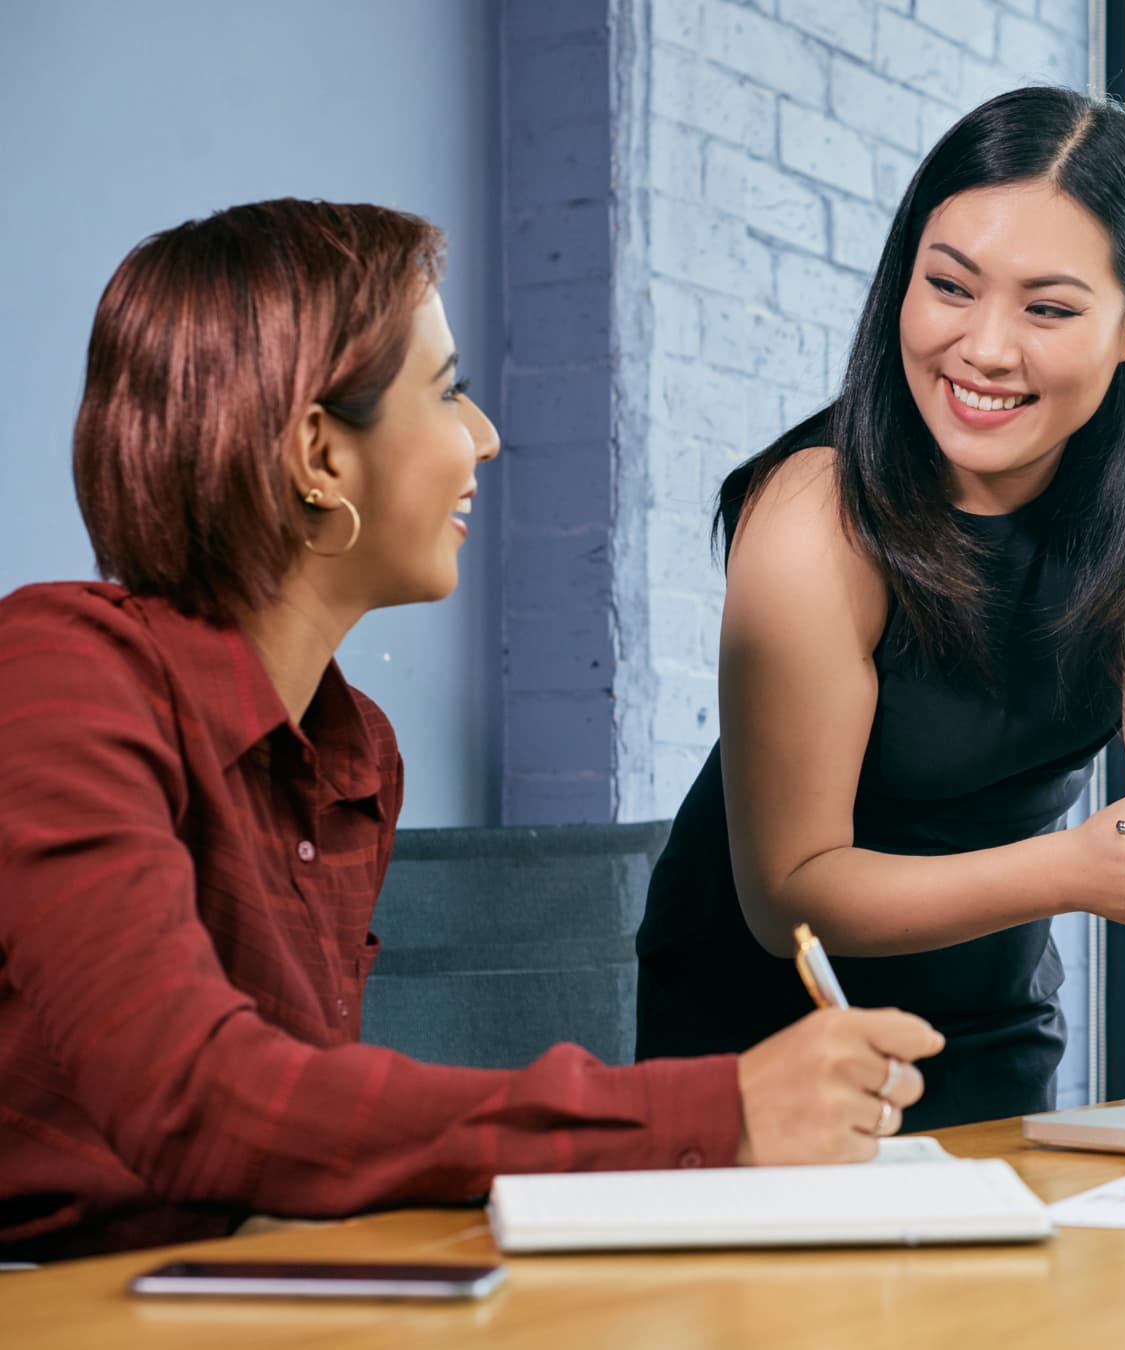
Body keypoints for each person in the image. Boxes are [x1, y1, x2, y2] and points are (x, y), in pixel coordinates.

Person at [0, 199, 940, 1262]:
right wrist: (715, 1113)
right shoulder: (57, 674)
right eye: (447, 392)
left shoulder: (352, 755)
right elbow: (198, 1100)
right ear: (319, 453)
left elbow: (299, 1146)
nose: (486, 437)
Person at [635, 86, 1125, 1128]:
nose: (985, 351)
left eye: (1048, 309)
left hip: (993, 1009)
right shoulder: (810, 516)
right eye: (950, 287)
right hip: (773, 1033)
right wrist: (1073, 870)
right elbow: (790, 890)